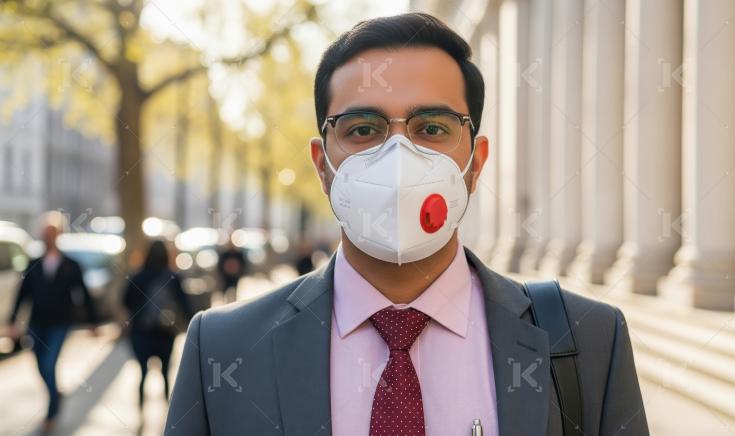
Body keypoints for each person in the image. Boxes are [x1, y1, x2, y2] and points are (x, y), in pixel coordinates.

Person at [166, 13, 648, 435]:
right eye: (363, 129)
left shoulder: (590, 342)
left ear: (475, 163)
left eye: (432, 128)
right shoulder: (224, 348)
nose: (398, 158)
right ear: (322, 165)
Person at [7, 223, 99, 432]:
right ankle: (55, 393)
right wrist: (13, 322)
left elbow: (83, 294)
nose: (47, 238)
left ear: (58, 236)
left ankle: (52, 411)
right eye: (44, 234)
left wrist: (93, 322)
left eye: (51, 234)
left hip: (60, 323)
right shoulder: (34, 264)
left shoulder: (71, 265)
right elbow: (22, 295)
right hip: (37, 323)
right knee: (40, 364)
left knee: (49, 364)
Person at [123, 240, 191, 415]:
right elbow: (185, 305)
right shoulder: (173, 277)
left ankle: (140, 409)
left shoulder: (138, 276)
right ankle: (169, 411)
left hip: (141, 332)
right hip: (165, 332)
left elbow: (126, 301)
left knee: (143, 373)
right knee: (166, 373)